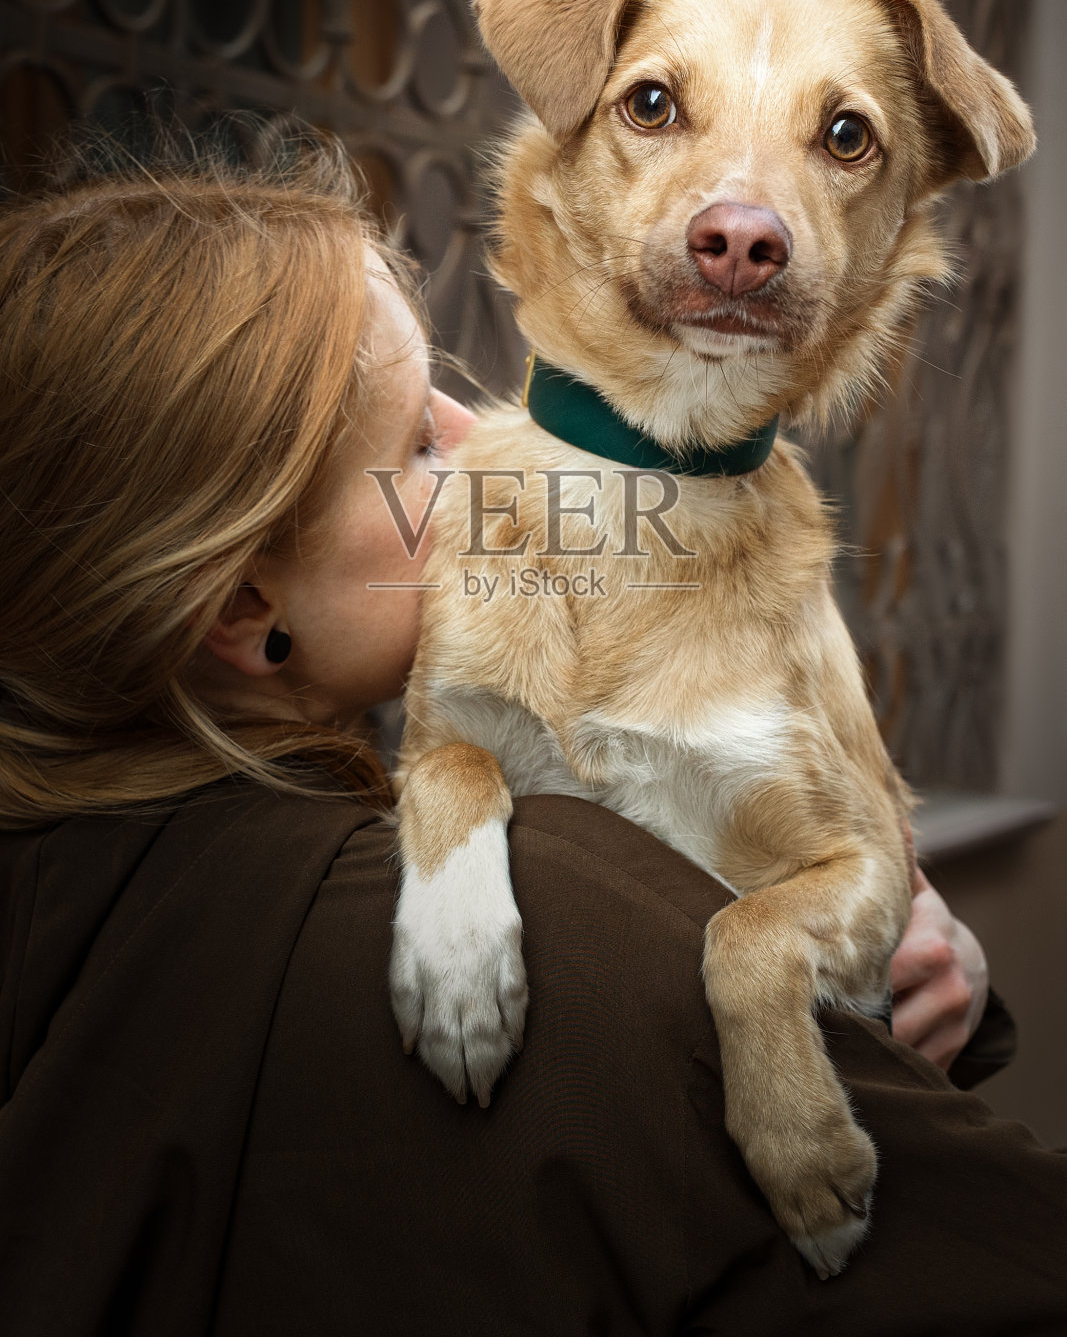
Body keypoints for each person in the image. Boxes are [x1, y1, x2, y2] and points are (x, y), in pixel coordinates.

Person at [0, 138, 1062, 1337]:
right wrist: (891, 1045)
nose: (480, 440)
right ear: (243, 609)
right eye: (411, 444)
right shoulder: (546, 926)